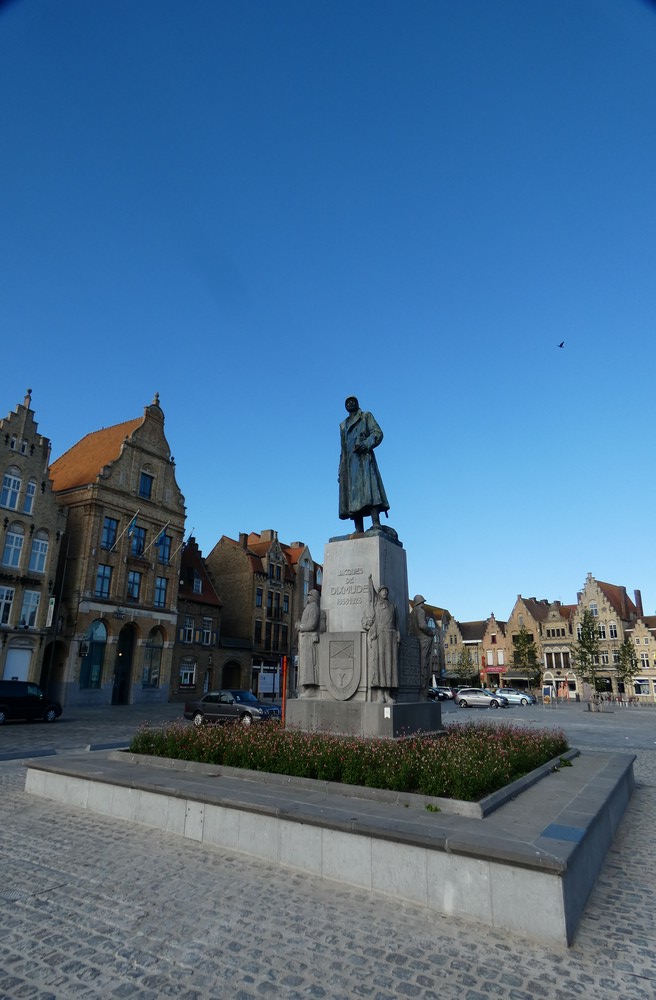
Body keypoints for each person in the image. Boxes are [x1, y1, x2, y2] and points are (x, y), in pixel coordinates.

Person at [338, 396, 390, 534]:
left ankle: (376, 523)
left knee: (370, 491)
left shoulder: (366, 416)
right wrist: (340, 470)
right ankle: (358, 529)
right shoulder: (343, 425)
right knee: (353, 497)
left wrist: (366, 444)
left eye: (352, 401)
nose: (350, 403)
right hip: (349, 465)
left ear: (357, 403)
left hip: (364, 459)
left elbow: (377, 433)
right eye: (347, 402)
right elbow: (342, 450)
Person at [362, 577, 399, 702]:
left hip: (390, 637)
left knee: (389, 666)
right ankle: (379, 695)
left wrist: (398, 633)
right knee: (380, 665)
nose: (385, 593)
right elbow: (371, 593)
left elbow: (397, 622)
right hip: (379, 637)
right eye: (383, 591)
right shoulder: (376, 604)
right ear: (379, 592)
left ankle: (387, 694)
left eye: (386, 591)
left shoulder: (392, 606)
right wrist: (369, 580)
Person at [295, 590, 321, 697]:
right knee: (304, 665)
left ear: (314, 597)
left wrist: (299, 626)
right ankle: (305, 688)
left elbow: (312, 625)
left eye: (309, 595)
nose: (308, 597)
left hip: (309, 640)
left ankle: (310, 689)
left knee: (309, 665)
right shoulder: (309, 607)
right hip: (304, 640)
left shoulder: (314, 607)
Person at [409, 595, 434, 698]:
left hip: (415, 641)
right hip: (423, 640)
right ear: (420, 603)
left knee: (417, 664)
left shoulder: (411, 614)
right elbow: (422, 625)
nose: (423, 604)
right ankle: (423, 691)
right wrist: (431, 632)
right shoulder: (420, 611)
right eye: (422, 602)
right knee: (425, 664)